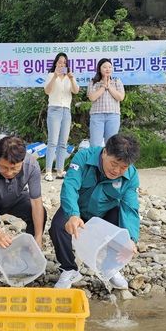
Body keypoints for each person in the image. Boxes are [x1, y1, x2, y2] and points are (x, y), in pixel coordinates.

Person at [49, 134, 140, 289]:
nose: (117, 170)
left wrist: (131, 239)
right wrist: (73, 214)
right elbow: (70, 185)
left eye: (123, 167)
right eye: (114, 163)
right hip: (78, 209)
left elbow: (130, 208)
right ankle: (69, 268)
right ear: (105, 152)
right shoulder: (83, 157)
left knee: (123, 230)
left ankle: (110, 268)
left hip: (105, 212)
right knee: (57, 226)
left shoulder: (131, 176)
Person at [0, 135, 47, 286]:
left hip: (16, 196)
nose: (8, 172)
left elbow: (36, 203)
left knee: (40, 213)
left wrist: (38, 237)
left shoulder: (32, 165)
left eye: (14, 168)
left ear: (22, 161)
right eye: (3, 167)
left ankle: (26, 262)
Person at [44, 52, 80, 182]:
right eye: (60, 62)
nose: (62, 64)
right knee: (52, 141)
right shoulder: (50, 75)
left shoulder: (69, 77)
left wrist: (71, 78)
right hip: (54, 109)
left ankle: (60, 170)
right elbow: (47, 91)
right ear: (55, 63)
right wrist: (54, 76)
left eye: (64, 63)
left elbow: (76, 91)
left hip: (66, 110)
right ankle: (48, 171)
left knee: (63, 142)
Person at [87, 58, 125, 147]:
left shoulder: (116, 82)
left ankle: (109, 161)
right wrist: (103, 86)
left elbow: (120, 97)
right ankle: (95, 161)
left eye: (110, 67)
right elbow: (92, 97)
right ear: (99, 69)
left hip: (113, 116)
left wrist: (109, 87)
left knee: (111, 145)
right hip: (97, 116)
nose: (108, 69)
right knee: (95, 144)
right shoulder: (94, 82)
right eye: (105, 67)